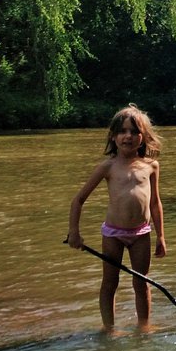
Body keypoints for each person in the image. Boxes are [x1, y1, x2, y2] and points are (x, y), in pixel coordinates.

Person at [67, 104, 167, 329]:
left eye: (134, 132)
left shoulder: (151, 166)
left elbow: (155, 203)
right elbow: (78, 200)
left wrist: (161, 236)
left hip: (141, 234)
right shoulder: (108, 167)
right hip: (113, 234)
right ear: (113, 137)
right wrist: (74, 232)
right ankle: (109, 329)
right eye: (122, 131)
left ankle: (144, 327)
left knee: (142, 282)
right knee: (109, 283)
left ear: (143, 137)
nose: (128, 136)